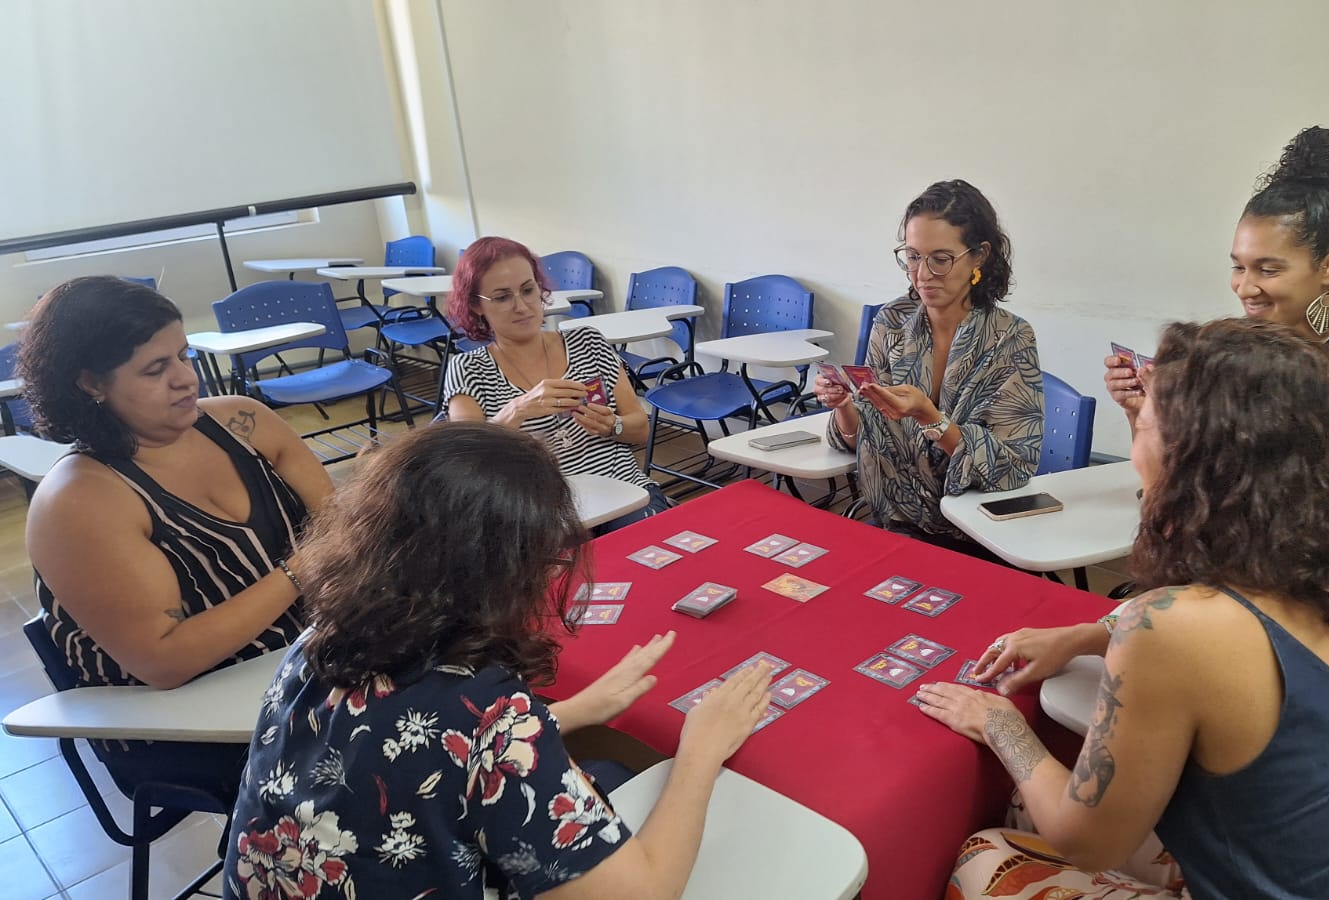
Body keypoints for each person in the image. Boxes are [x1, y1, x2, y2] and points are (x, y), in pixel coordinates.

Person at [919, 318, 1329, 898]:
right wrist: (1085, 636)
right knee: (1029, 803)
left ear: (1194, 465)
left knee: (985, 855)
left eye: (1146, 423)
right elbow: (1243, 639)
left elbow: (1088, 845)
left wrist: (1002, 726)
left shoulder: (1169, 628)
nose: (1135, 444)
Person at [226, 423, 771, 899]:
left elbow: (410, 747)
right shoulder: (488, 709)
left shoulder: (321, 637)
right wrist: (700, 751)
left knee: (606, 774)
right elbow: (642, 893)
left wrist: (574, 711)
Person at [20, 275, 332, 800]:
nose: (186, 379)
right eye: (155, 369)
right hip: (180, 719)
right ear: (90, 384)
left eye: (184, 356)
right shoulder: (80, 499)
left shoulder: (244, 423)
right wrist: (300, 571)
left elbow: (341, 529)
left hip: (299, 662)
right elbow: (164, 662)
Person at [1104, 126, 1329, 478]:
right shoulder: (1223, 355)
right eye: (1238, 267)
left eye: (1268, 270)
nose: (1244, 288)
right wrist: (1145, 415)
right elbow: (1174, 485)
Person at [818, 180, 1043, 556]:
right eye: (912, 256)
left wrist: (931, 418)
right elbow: (864, 439)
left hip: (977, 534)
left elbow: (1013, 466)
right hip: (897, 524)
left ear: (979, 256)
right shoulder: (892, 322)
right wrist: (843, 405)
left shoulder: (1009, 338)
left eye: (940, 259)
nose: (922, 274)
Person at [442, 236, 670, 532]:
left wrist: (612, 425)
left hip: (621, 491)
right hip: (537, 511)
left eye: (528, 290)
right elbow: (466, 464)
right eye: (502, 297)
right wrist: (515, 411)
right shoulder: (468, 369)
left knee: (656, 551)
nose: (522, 306)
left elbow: (640, 430)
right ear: (475, 305)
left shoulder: (588, 342)